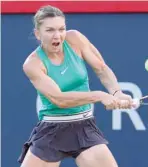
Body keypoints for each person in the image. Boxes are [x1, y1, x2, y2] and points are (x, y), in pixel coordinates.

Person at [18, 5, 133, 167]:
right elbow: (59, 99)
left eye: (61, 29)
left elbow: (101, 68)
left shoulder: (75, 39)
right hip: (51, 130)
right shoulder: (33, 64)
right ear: (38, 34)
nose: (57, 35)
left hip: (83, 126)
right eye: (50, 30)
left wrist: (116, 92)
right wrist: (100, 96)